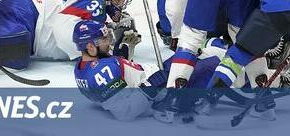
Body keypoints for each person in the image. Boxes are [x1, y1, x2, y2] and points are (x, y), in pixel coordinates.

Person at [0, 0, 136, 74]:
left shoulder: (95, 12)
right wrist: (98, 53)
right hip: (27, 11)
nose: (120, 4)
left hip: (26, 14)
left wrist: (107, 47)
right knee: (16, 57)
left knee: (9, 45)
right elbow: (61, 30)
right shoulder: (96, 0)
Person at [74, 20, 229, 122]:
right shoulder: (100, 74)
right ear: (90, 47)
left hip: (157, 74)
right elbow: (125, 112)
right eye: (104, 40)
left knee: (202, 47)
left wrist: (121, 57)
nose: (109, 42)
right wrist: (151, 85)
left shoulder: (83, 67)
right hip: (165, 95)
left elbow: (123, 81)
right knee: (218, 63)